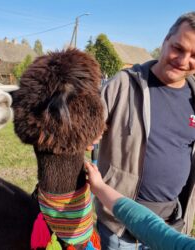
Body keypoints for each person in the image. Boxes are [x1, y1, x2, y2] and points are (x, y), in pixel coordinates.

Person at [96, 12, 195, 249]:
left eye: (194, 55)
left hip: (171, 226)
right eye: (178, 48)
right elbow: (86, 129)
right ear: (164, 41)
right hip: (118, 227)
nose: (183, 60)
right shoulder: (122, 84)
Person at [85, 161, 195, 250]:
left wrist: (100, 187)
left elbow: (150, 227)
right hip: (117, 229)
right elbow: (153, 229)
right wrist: (100, 187)